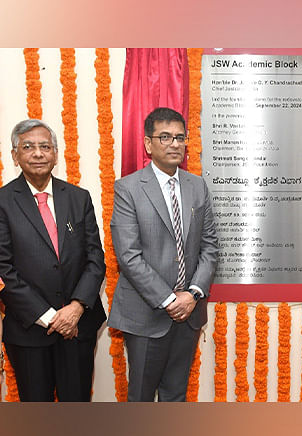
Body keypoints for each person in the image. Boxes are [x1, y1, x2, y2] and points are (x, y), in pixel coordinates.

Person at [109, 107, 218, 402]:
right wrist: (170, 300)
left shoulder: (198, 186)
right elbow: (128, 255)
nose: (174, 144)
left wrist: (192, 294)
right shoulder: (128, 188)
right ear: (148, 144)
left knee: (176, 396)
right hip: (146, 314)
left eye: (180, 138)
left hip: (189, 314)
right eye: (165, 137)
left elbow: (210, 245)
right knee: (142, 398)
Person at [0, 119, 106, 401]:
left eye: (45, 146)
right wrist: (51, 318)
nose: (38, 153)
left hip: (77, 327)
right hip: (29, 332)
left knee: (76, 409)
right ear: (15, 155)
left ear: (55, 154)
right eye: (28, 147)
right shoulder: (3, 202)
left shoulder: (78, 197)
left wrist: (76, 307)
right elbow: (4, 270)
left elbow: (95, 258)